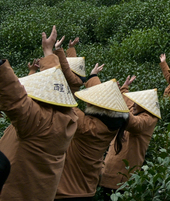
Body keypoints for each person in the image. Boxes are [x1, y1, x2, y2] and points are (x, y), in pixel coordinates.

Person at [0, 20, 79, 201]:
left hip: (11, 194)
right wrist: (48, 52)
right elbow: (55, 82)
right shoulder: (69, 116)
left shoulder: (37, 122)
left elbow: (14, 99)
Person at [55, 63, 131, 201]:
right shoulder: (109, 125)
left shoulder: (86, 126)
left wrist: (51, 58)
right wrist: (93, 76)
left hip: (67, 191)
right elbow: (102, 99)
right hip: (87, 189)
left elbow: (64, 98)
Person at [99, 80, 160, 197]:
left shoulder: (148, 119)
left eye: (137, 103)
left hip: (121, 179)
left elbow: (134, 122)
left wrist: (115, 103)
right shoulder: (136, 110)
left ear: (146, 107)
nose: (134, 105)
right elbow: (127, 103)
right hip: (108, 170)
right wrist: (123, 89)